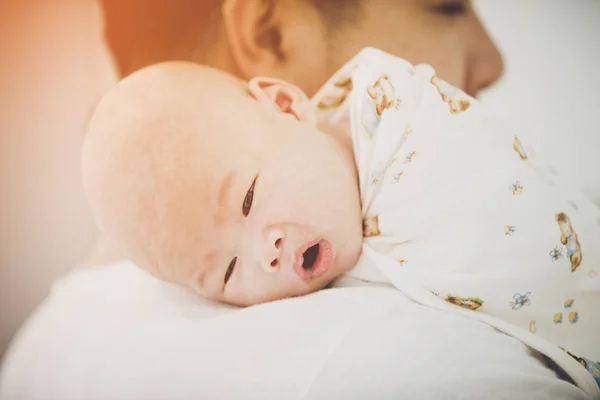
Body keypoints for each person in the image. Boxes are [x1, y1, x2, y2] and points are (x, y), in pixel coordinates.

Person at [81, 46, 600, 393]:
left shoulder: (409, 126)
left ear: (285, 104)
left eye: (246, 199)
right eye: (228, 271)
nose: (266, 252)